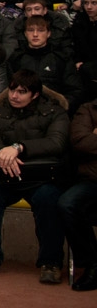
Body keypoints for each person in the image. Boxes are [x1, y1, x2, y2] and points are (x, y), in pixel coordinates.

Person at [0, 70, 70, 283]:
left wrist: (18, 148)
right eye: (12, 90)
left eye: (22, 92)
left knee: (49, 200)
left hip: (42, 175)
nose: (14, 96)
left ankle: (50, 262)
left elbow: (56, 143)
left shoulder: (55, 112)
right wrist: (5, 155)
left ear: (35, 94)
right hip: (6, 171)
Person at [57, 99, 97, 291]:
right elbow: (80, 141)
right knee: (68, 203)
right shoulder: (88, 109)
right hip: (92, 180)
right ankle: (91, 264)